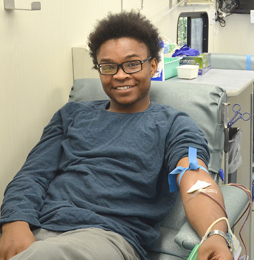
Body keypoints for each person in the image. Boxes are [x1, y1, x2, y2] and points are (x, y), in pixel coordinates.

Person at [0, 11, 233, 260]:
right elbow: (32, 174)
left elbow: (195, 180)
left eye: (132, 63)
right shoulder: (71, 116)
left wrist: (215, 234)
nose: (120, 75)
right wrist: (14, 221)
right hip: (38, 229)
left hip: (107, 237)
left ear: (153, 65)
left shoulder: (174, 124)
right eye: (109, 66)